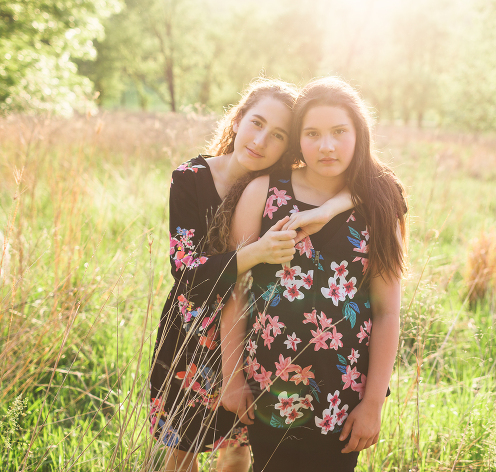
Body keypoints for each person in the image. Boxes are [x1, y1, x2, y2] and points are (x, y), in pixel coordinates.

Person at [149, 78, 354, 472]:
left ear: (288, 146)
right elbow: (186, 272)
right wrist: (255, 252)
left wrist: (330, 208)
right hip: (192, 336)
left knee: (240, 448)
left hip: (254, 337)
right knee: (181, 451)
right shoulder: (191, 179)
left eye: (277, 135)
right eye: (256, 123)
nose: (261, 141)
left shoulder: (276, 187)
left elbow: (382, 188)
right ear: (239, 118)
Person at [219, 77, 407, 472]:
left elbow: (387, 311)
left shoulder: (378, 204)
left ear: (359, 134)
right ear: (298, 140)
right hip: (267, 384)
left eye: (340, 132)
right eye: (313, 133)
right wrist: (232, 376)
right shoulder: (265, 192)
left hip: (344, 394)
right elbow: (234, 288)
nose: (327, 146)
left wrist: (373, 404)